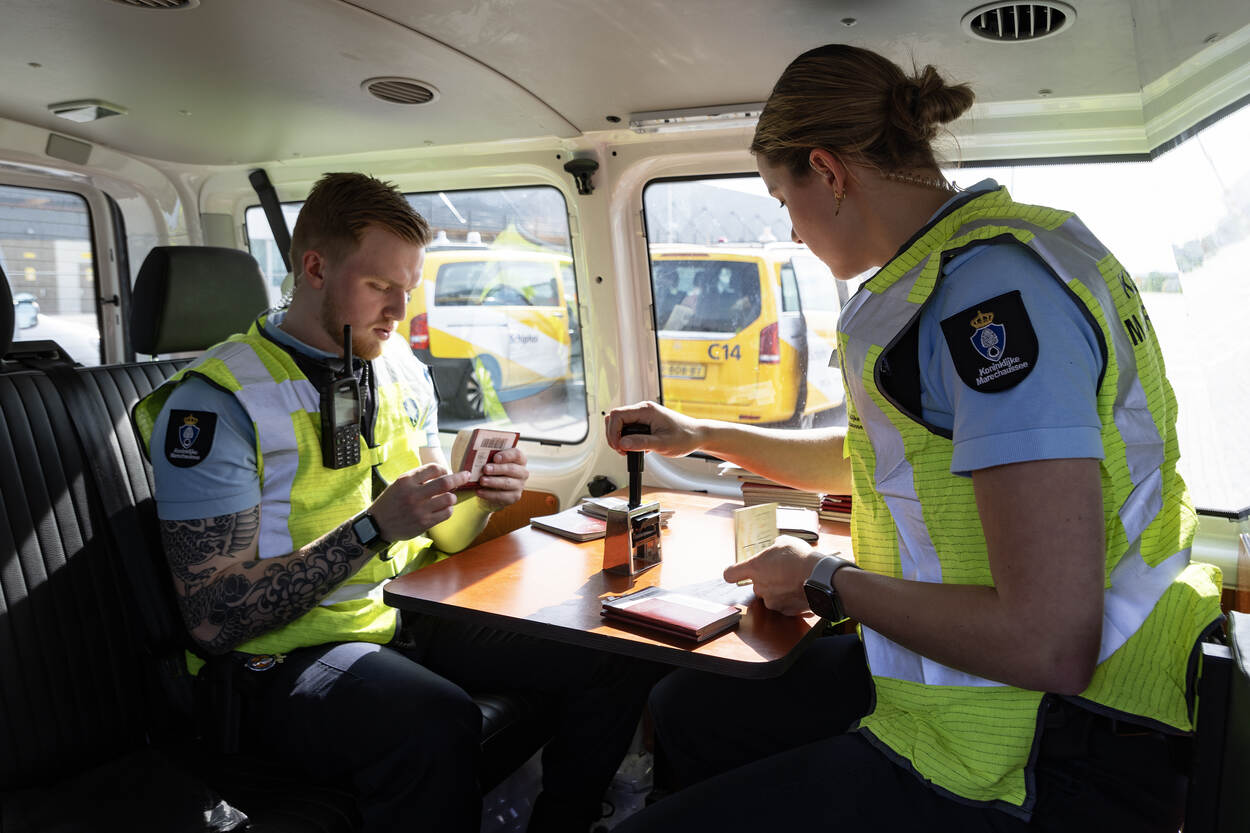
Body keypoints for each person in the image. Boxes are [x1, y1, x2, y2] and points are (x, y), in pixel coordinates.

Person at [607, 44, 1222, 832]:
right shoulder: (983, 262)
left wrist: (825, 579)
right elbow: (891, 460)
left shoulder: (985, 302)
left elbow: (1050, 643)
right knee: (691, 706)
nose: (791, 229)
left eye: (782, 199)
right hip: (993, 691)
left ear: (827, 171)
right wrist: (698, 433)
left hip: (1048, 743)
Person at [134, 172, 658, 833]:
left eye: (408, 290)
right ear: (315, 268)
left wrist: (482, 499)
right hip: (280, 659)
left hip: (407, 613)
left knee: (613, 648)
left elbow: (445, 536)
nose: (399, 311)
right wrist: (373, 530)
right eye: (380, 286)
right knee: (433, 720)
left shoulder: (398, 366)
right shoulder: (215, 404)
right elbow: (214, 618)